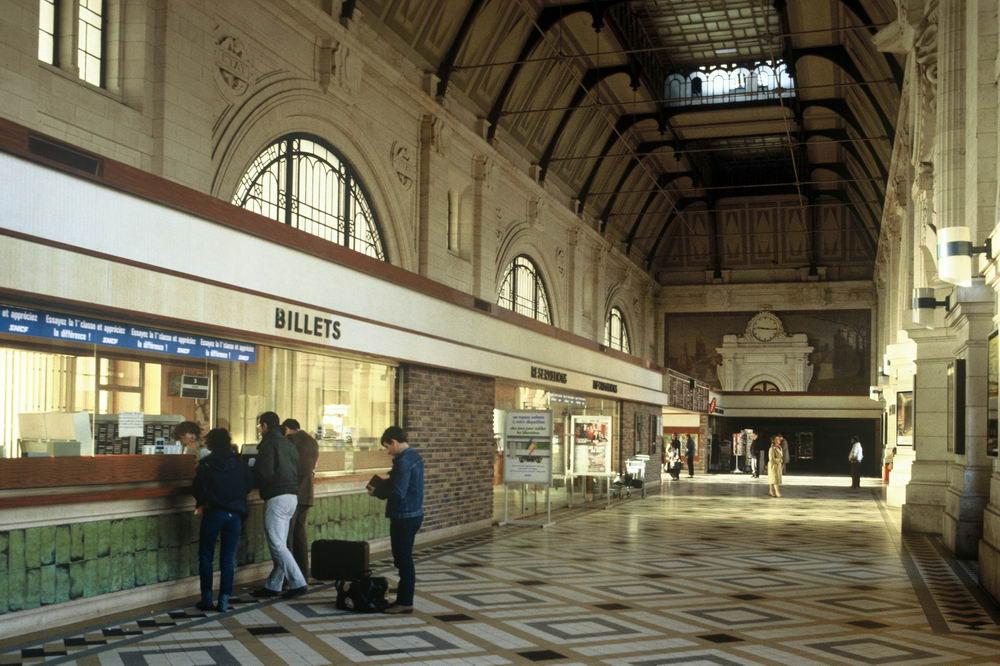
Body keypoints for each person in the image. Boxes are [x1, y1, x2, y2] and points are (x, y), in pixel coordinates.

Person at [192, 428, 253, 612]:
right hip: (235, 514)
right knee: (227, 558)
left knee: (206, 556)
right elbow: (249, 483)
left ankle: (207, 598)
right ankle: (225, 600)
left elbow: (198, 489)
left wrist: (204, 502)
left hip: (213, 513)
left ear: (210, 444)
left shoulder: (205, 464)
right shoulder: (240, 462)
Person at [368, 426, 424, 614]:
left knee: (403, 560)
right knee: (404, 558)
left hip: (403, 516)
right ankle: (403, 599)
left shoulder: (403, 462)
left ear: (393, 441)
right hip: (414, 514)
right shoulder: (415, 456)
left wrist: (377, 491)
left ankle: (405, 601)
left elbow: (398, 492)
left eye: (387, 447)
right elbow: (402, 484)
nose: (388, 451)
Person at [252, 411, 308, 599]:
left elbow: (266, 472)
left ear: (266, 425)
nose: (260, 429)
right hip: (292, 496)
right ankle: (274, 585)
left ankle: (298, 582)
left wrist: (252, 471)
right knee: (281, 543)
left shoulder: (269, 444)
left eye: (260, 426)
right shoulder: (288, 443)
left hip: (276, 497)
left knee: (276, 544)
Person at [282, 418, 319, 579]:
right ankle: (302, 572)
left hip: (293, 493)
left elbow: (289, 467)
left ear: (287, 429)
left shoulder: (291, 441)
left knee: (288, 536)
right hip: (307, 493)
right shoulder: (312, 441)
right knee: (299, 534)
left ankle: (290, 575)